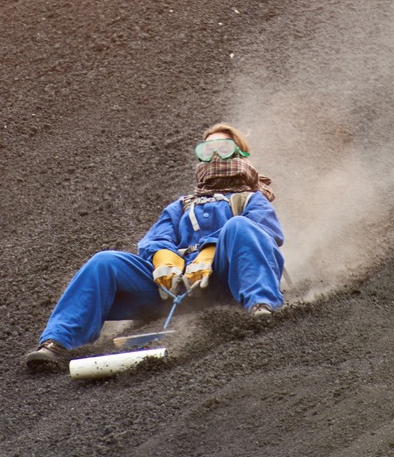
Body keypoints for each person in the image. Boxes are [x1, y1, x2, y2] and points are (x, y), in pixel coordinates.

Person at [24, 122, 285, 371]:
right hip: (174, 292)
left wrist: (209, 253)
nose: (215, 156)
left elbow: (265, 235)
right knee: (104, 262)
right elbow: (155, 238)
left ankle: (262, 307)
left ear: (240, 153)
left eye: (224, 148)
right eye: (207, 150)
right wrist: (165, 260)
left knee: (239, 226)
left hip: (228, 282)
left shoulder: (252, 200)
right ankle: (57, 342)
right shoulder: (181, 206)